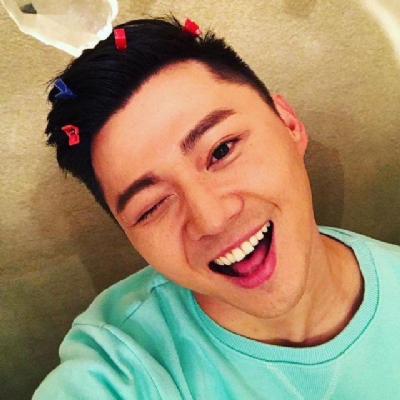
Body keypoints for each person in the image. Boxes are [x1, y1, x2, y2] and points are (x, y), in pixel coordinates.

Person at [33, 16, 400, 400]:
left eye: (221, 150)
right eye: (152, 206)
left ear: (289, 124)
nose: (212, 219)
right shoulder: (123, 366)